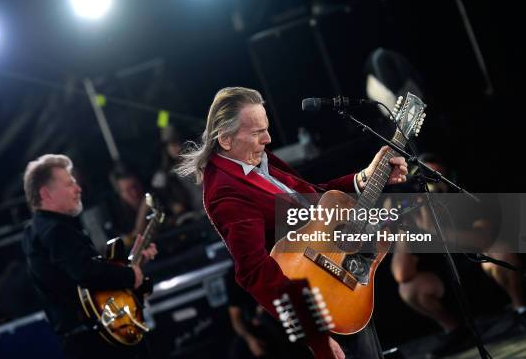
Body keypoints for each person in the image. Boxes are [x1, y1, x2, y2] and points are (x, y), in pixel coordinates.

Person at [177, 87, 408, 359]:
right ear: (226, 140)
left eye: (266, 128)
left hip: (338, 281)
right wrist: (316, 337)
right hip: (315, 308)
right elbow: (254, 272)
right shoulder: (225, 191)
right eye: (256, 132)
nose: (268, 138)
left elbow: (313, 198)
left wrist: (365, 177)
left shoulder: (258, 160)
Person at [21, 154, 157, 359]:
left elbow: (84, 283)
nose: (78, 188)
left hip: (89, 341)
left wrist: (133, 264)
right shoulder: (54, 230)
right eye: (69, 184)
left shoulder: (40, 230)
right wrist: (129, 276)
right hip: (97, 345)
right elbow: (85, 271)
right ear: (46, 194)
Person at [391, 153, 524, 358]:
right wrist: (401, 228)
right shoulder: (416, 214)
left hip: (481, 274)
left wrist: (438, 231)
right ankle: (456, 331)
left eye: (434, 177)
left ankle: (521, 310)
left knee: (502, 250)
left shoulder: (466, 200)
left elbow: (484, 239)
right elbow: (402, 274)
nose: (430, 186)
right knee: (409, 288)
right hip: (447, 285)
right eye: (422, 179)